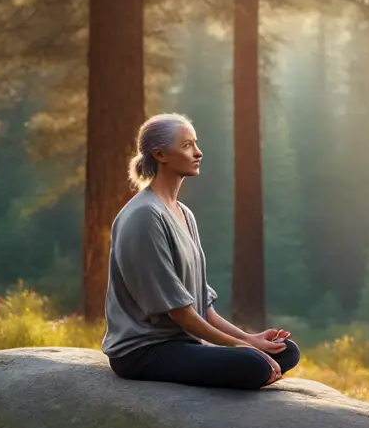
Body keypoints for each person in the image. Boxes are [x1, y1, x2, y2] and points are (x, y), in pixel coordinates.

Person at [101, 112, 300, 389]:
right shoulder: (144, 216)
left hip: (183, 342)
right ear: (160, 154)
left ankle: (252, 356)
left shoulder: (183, 214)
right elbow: (181, 313)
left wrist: (251, 339)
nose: (198, 152)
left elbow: (202, 309)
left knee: (286, 350)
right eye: (187, 146)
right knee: (253, 364)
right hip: (144, 351)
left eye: (195, 143)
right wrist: (241, 347)